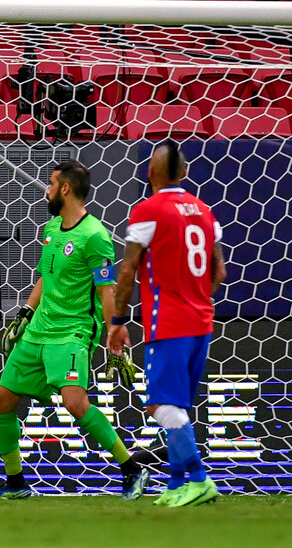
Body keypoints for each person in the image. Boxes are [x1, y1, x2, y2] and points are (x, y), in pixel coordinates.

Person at [0, 159, 149, 500]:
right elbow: (45, 278)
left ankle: (131, 468)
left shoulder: (95, 236)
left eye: (50, 184)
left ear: (65, 189)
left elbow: (107, 290)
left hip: (72, 331)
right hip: (39, 330)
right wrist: (26, 312)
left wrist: (113, 333)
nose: (46, 190)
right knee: (1, 401)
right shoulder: (50, 229)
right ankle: (16, 483)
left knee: (75, 402)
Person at [108, 140, 226, 507]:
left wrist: (118, 319)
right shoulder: (206, 212)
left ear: (150, 173)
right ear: (186, 173)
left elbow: (127, 270)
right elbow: (218, 271)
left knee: (160, 405)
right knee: (178, 405)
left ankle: (200, 479)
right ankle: (176, 483)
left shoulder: (148, 209)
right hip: (202, 320)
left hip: (170, 323)